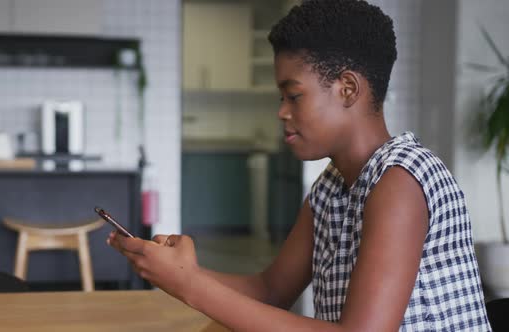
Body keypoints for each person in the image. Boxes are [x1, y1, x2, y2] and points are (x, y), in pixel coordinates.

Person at [108, 0, 492, 330]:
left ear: (347, 89)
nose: (281, 112)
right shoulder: (330, 188)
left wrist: (190, 284)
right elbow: (269, 292)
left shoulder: (400, 181)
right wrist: (176, 272)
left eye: (293, 96)